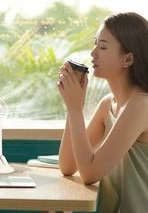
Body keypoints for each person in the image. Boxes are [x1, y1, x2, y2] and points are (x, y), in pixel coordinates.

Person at [57, 12, 148, 213]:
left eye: (103, 47)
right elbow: (68, 165)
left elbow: (89, 173)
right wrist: (73, 105)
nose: (93, 53)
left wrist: (74, 108)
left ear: (128, 59)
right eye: (95, 43)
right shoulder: (108, 104)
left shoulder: (140, 106)